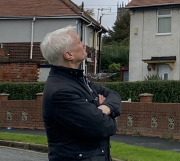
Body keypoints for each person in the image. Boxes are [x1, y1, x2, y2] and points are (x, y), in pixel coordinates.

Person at [41, 26, 121, 161]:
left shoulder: (79, 80)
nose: (83, 44)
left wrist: (104, 109)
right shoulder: (61, 92)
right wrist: (109, 116)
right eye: (78, 42)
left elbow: (114, 95)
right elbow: (103, 127)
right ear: (68, 55)